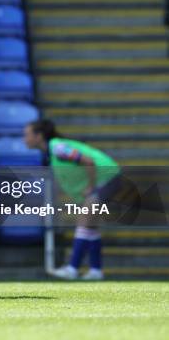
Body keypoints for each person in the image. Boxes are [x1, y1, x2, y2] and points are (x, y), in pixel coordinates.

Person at [24, 119, 121, 281]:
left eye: (27, 135)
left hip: (106, 177)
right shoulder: (52, 150)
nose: (24, 139)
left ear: (39, 136)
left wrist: (90, 187)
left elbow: (88, 162)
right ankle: (96, 270)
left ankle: (73, 268)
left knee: (84, 221)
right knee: (91, 226)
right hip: (108, 178)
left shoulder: (57, 147)